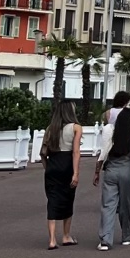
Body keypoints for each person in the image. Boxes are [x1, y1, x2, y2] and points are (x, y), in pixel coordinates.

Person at [93, 105, 130, 251]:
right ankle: (127, 235)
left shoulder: (111, 133)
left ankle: (106, 240)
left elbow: (103, 153)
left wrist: (97, 172)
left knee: (108, 205)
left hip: (111, 169)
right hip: (126, 170)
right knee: (126, 204)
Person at [41, 100, 82, 249]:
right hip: (67, 164)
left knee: (52, 200)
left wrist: (48, 168)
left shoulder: (51, 128)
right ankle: (66, 235)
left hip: (53, 164)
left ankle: (52, 239)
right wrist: (75, 173)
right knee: (68, 199)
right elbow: (76, 152)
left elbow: (43, 154)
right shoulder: (76, 128)